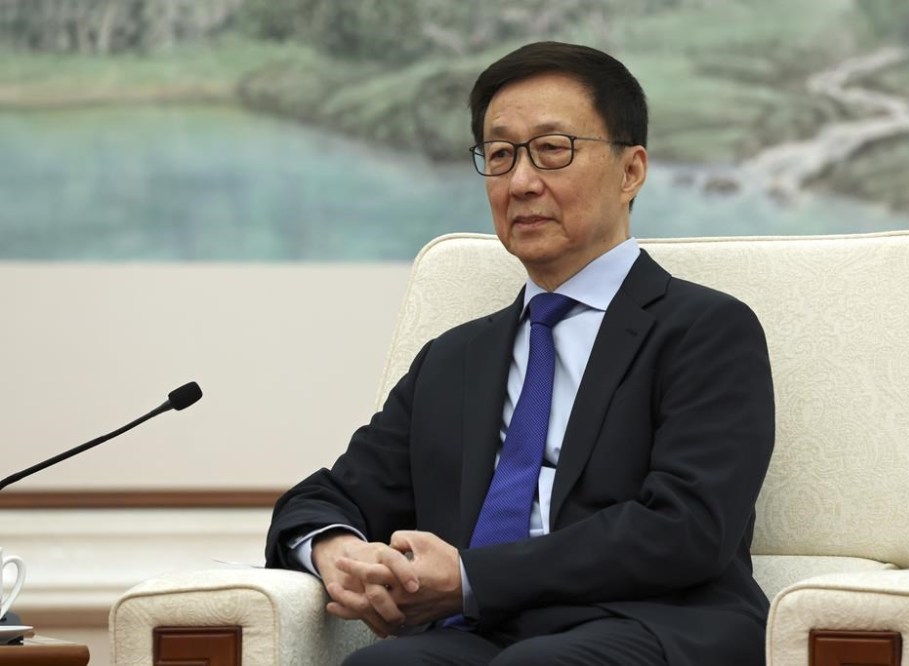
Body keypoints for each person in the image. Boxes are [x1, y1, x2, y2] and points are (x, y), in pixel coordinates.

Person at [265, 41, 774, 665]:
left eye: (552, 150)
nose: (522, 182)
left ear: (631, 170)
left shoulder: (706, 329)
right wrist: (337, 552)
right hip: (480, 634)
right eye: (500, 155)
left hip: (652, 622)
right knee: (382, 664)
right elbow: (326, 496)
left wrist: (473, 577)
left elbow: (688, 527)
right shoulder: (453, 359)